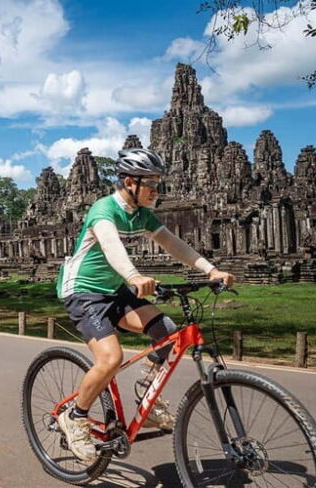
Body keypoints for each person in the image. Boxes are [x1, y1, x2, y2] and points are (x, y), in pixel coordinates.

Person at [55, 147, 235, 462]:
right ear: (129, 182)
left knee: (166, 331)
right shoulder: (104, 210)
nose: (156, 190)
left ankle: (147, 389)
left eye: (158, 183)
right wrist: (135, 276)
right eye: (151, 183)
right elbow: (111, 247)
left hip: (114, 290)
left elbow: (173, 244)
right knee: (111, 358)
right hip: (83, 290)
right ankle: (74, 417)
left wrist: (211, 270)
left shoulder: (143, 215)